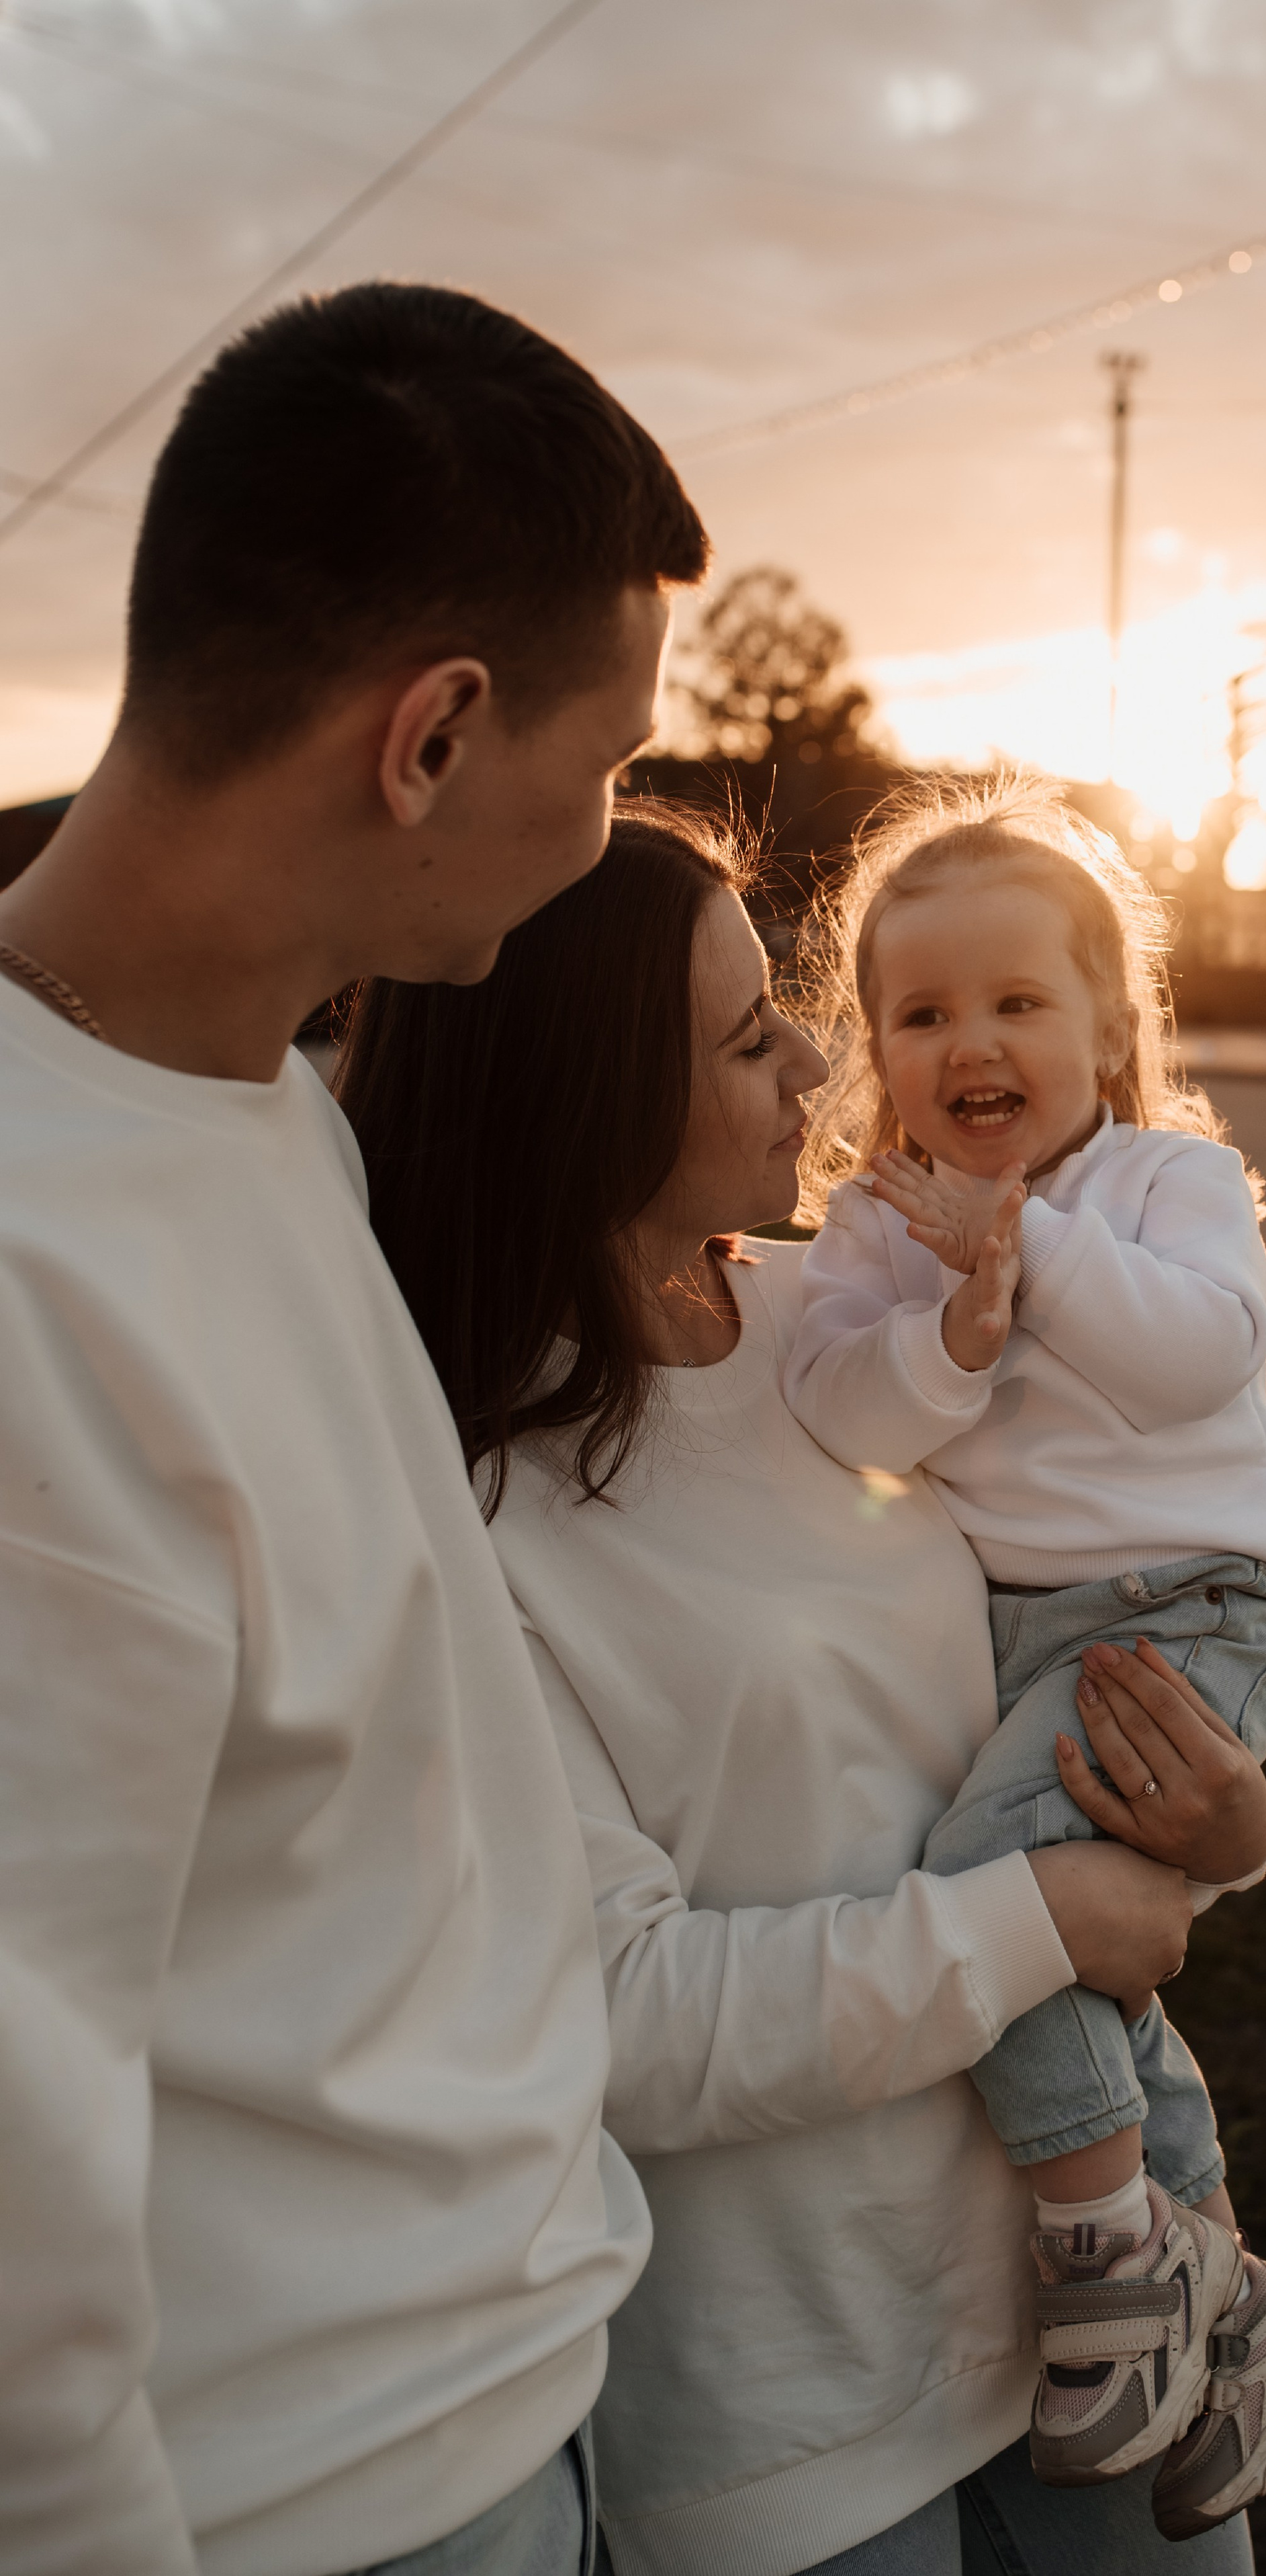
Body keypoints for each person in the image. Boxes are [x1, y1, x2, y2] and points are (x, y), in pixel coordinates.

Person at [337, 801, 1266, 2576]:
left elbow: (1031, 1703)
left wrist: (1225, 1830)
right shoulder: (470, 1505)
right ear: (591, 1088)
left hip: (1087, 2302)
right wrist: (1039, 1916)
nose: (821, 1060)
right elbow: (623, 2016)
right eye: (747, 1029)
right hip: (799, 2403)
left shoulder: (857, 1331)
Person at [0, 282, 707, 2576]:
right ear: (431, 738)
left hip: (498, 2412)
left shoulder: (261, 1100)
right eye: (604, 772)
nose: (603, 841)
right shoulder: (33, 1284)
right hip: (317, 2514)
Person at [782, 774, 1266, 2528]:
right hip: (1026, 1629)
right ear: (874, 1045)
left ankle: (1116, 2250)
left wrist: (1025, 1247)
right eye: (923, 1010)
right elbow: (835, 1401)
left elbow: (1194, 1361)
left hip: (1189, 1607)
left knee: (991, 1890)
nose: (973, 1040)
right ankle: (1224, 2290)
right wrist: (950, 1332)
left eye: (1019, 1001)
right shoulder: (883, 1225)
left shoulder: (1168, 1182)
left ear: (1111, 1025)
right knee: (1072, 1967)